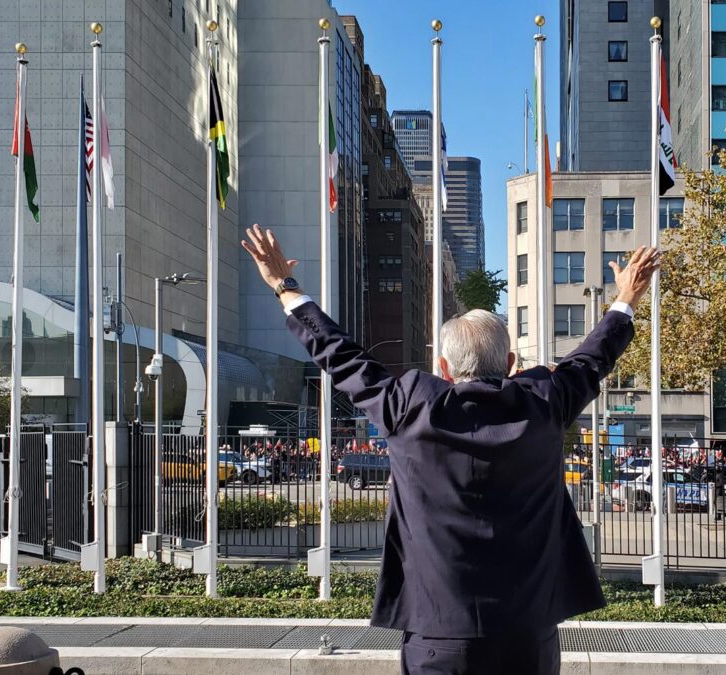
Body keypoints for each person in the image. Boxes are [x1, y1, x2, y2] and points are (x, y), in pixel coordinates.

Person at [242, 224, 660, 675]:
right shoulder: (544, 403)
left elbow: (342, 357)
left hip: (436, 637)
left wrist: (285, 286)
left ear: (442, 367)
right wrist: (626, 299)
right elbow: (591, 359)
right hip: (528, 638)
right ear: (510, 365)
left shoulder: (410, 405)